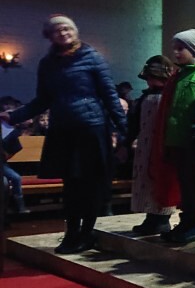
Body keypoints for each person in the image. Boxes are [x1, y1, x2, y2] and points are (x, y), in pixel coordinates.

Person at [0, 15, 127, 253]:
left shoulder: (93, 58)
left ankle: (87, 233)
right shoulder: (47, 63)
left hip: (91, 128)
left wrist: (124, 131)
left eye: (67, 28)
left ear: (75, 31)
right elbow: (42, 100)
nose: (63, 33)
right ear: (50, 36)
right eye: (57, 30)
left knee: (90, 184)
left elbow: (110, 96)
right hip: (63, 130)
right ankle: (72, 232)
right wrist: (14, 116)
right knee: (70, 186)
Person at [157, 30, 195, 245]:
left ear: (194, 49)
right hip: (177, 140)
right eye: (175, 48)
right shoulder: (179, 76)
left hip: (192, 141)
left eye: (181, 48)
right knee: (184, 184)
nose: (176, 53)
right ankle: (187, 221)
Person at [127, 55, 176, 235]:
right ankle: (151, 217)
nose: (149, 80)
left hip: (162, 145)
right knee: (146, 181)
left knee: (161, 180)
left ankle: (162, 219)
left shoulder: (168, 97)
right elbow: (134, 122)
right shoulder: (146, 96)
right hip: (145, 146)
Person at [1, 96, 30, 215]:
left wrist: (5, 156)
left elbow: (15, 149)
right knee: (4, 183)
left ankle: (20, 206)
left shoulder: (12, 133)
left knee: (16, 178)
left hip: (1, 164)